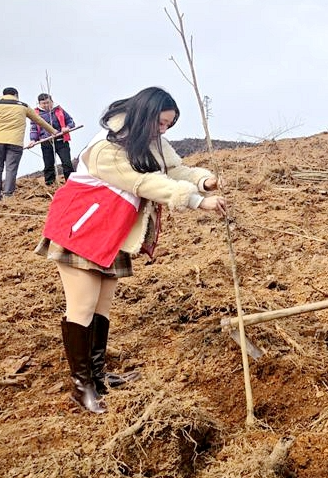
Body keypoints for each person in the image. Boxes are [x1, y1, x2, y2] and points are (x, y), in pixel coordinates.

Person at [35, 86, 227, 414]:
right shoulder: (106, 148)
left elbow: (174, 170)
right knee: (82, 306)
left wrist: (202, 180)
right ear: (145, 115)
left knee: (102, 306)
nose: (164, 130)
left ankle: (98, 377)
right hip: (82, 227)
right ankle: (82, 389)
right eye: (162, 123)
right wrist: (196, 200)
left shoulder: (150, 140)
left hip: (113, 232)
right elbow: (144, 183)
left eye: (169, 125)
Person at [0, 87, 58, 202]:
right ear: (16, 95)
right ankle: (8, 195)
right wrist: (53, 131)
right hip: (15, 142)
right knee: (11, 169)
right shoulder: (23, 106)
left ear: (3, 94)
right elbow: (39, 120)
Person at [27, 93, 76, 185]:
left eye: (48, 102)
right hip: (46, 142)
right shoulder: (35, 114)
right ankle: (50, 185)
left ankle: (71, 184)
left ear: (52, 102)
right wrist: (33, 140)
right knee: (48, 165)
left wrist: (67, 127)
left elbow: (70, 121)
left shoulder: (59, 110)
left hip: (61, 140)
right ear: (39, 104)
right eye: (43, 103)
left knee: (67, 163)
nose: (46, 105)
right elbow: (33, 128)